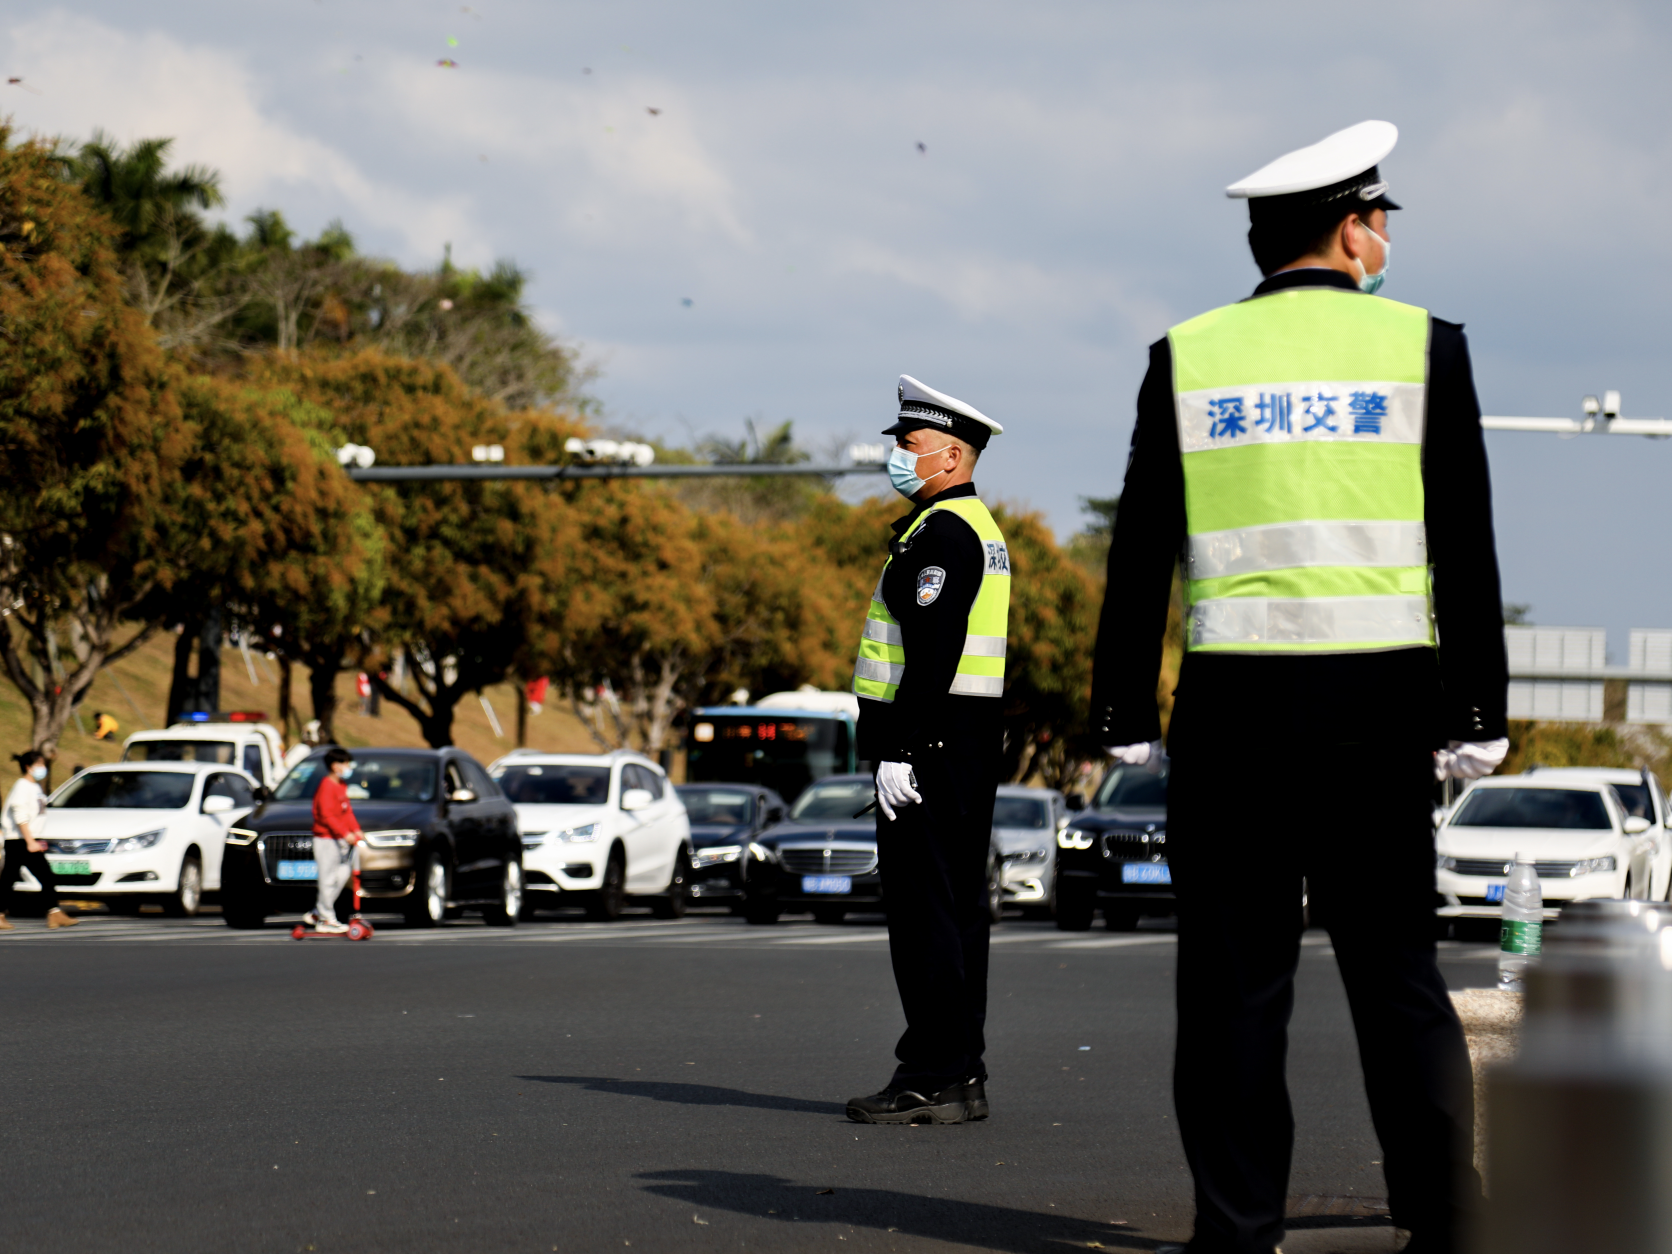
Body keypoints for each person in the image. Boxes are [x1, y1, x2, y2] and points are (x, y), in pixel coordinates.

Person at [1090, 120, 1507, 1254]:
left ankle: (1235, 1231)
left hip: (1230, 720)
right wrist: (1477, 710)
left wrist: (1121, 705)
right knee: (1398, 982)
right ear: (1351, 223)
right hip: (1379, 716)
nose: (1381, 236)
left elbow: (1141, 547)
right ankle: (1444, 1218)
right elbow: (1462, 543)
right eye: (1379, 217)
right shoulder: (1427, 346)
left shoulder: (1187, 355)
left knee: (1231, 992)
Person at [846, 375, 1010, 1126]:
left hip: (933, 749)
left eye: (908, 445)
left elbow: (931, 651)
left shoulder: (944, 534)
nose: (898, 457)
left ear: (950, 455)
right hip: (961, 745)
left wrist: (900, 750)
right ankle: (960, 1070)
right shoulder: (967, 529)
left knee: (925, 915)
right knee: (955, 911)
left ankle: (931, 1073)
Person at [2, 751, 78, 930]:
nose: (43, 768)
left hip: (24, 839)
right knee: (44, 876)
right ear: (28, 767)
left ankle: (54, 913)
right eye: (39, 765)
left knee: (10, 879)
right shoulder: (22, 786)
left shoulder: (34, 787)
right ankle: (54, 913)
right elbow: (19, 814)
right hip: (20, 840)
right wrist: (29, 841)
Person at [309, 747, 363, 934]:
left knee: (343, 873)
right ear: (335, 766)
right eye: (345, 763)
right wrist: (343, 833)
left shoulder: (340, 786)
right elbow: (326, 815)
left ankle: (318, 911)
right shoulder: (326, 786)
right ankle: (326, 919)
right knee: (327, 879)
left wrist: (355, 829)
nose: (348, 767)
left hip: (338, 840)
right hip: (325, 839)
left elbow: (346, 811)